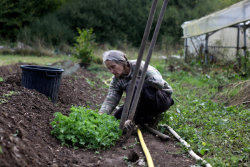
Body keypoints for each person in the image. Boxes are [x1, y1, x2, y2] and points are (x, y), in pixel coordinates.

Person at [99, 50, 174, 128]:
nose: (112, 71)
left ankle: (134, 118)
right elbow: (110, 100)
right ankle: (147, 119)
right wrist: (101, 115)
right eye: (109, 69)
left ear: (122, 62)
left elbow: (159, 84)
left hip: (160, 99)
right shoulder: (116, 80)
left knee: (133, 84)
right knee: (117, 117)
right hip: (140, 105)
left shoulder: (139, 66)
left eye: (113, 66)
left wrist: (139, 82)